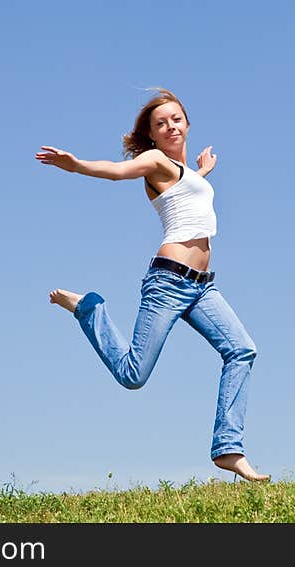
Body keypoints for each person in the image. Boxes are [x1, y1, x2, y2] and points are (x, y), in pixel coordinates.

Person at [35, 88, 269, 482]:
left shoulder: (184, 173)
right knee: (133, 375)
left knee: (242, 350)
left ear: (187, 124)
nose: (170, 126)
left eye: (176, 119)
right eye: (161, 123)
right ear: (153, 136)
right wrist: (76, 165)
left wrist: (203, 170)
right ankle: (89, 309)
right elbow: (114, 170)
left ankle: (228, 448)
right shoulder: (154, 161)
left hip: (203, 288)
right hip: (168, 282)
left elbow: (188, 188)